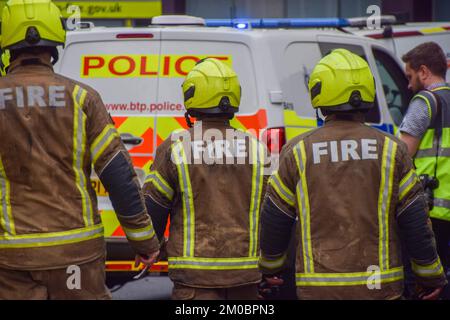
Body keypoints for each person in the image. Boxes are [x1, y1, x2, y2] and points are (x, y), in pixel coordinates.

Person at [0, 0, 159, 299]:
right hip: (76, 253)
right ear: (55, 42)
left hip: (11, 257)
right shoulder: (83, 98)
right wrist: (145, 242)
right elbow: (119, 176)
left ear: (7, 43)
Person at [258, 48, 447, 300]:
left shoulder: (297, 151)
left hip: (318, 290)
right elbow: (414, 219)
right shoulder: (392, 149)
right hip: (380, 289)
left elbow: (276, 217)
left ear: (318, 94)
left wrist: (270, 266)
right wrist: (429, 274)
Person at [142, 58, 268, 300]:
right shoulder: (258, 149)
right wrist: (274, 262)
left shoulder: (176, 147)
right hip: (246, 275)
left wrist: (148, 247)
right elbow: (272, 213)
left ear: (192, 98)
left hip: (194, 278)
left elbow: (155, 205)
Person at [399, 42, 450, 299]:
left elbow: (402, 155)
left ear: (423, 71)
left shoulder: (425, 101)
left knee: (422, 285)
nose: (408, 86)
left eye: (410, 77)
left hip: (431, 211)